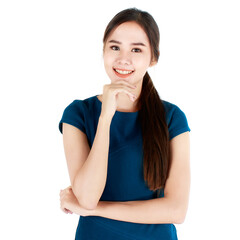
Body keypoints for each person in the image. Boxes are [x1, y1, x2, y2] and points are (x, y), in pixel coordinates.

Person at [59, 7, 191, 240]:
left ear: (153, 58)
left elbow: (176, 210)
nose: (123, 59)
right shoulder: (78, 114)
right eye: (114, 47)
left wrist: (94, 210)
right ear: (103, 51)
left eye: (137, 49)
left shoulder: (172, 118)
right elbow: (88, 197)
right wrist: (105, 117)